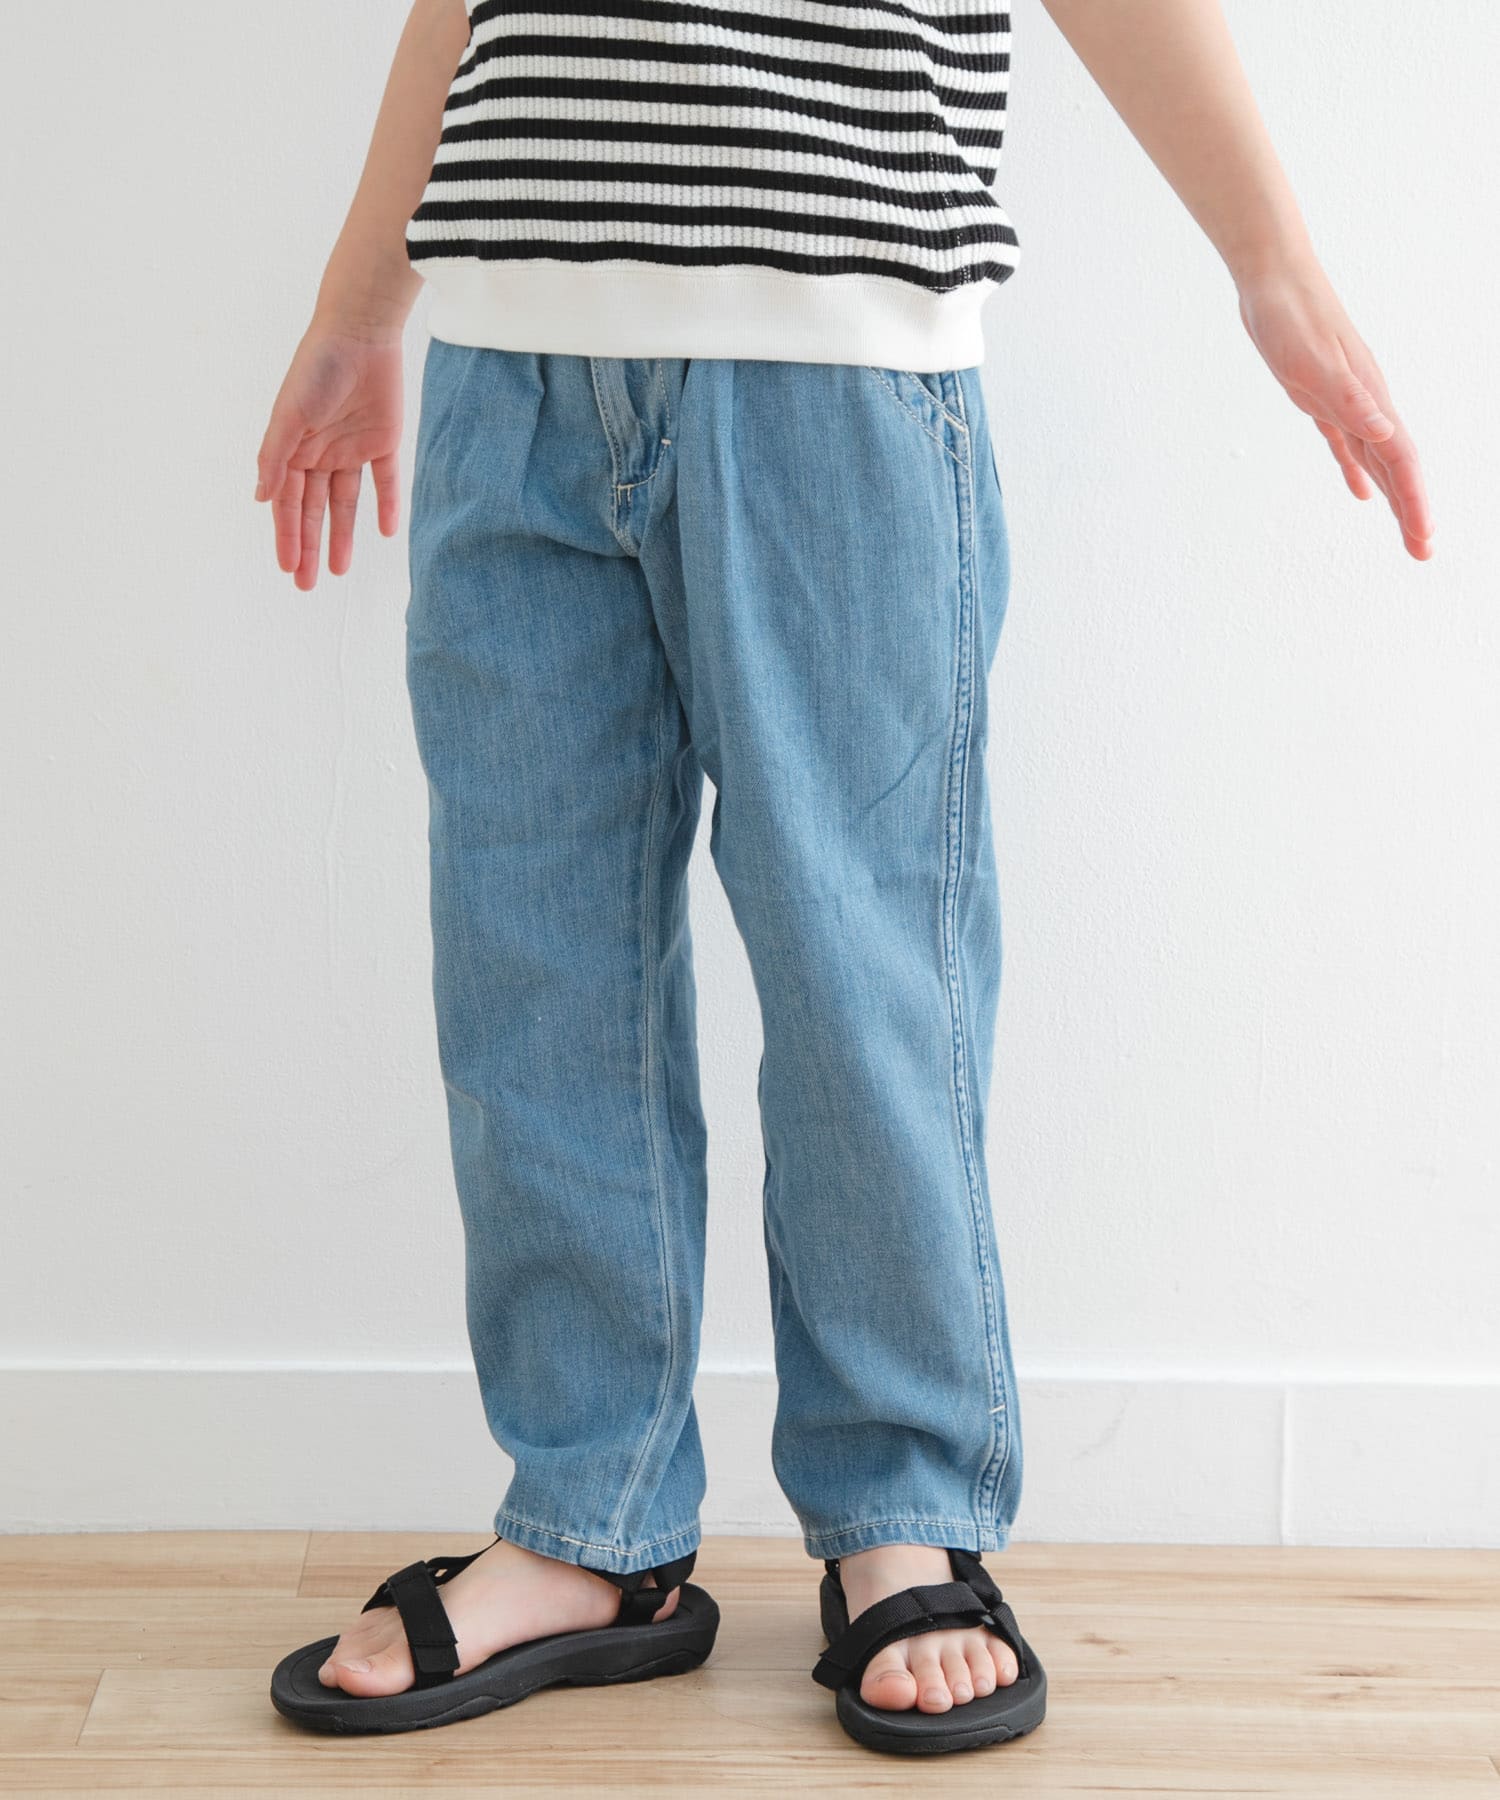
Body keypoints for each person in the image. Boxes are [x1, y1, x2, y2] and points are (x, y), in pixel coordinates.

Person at [255, 0, 1433, 1758]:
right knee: (532, 973)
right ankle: (591, 1522)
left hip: (833, 352)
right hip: (511, 353)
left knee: (859, 970)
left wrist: (1273, 262)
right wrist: (363, 308)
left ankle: (902, 1507)